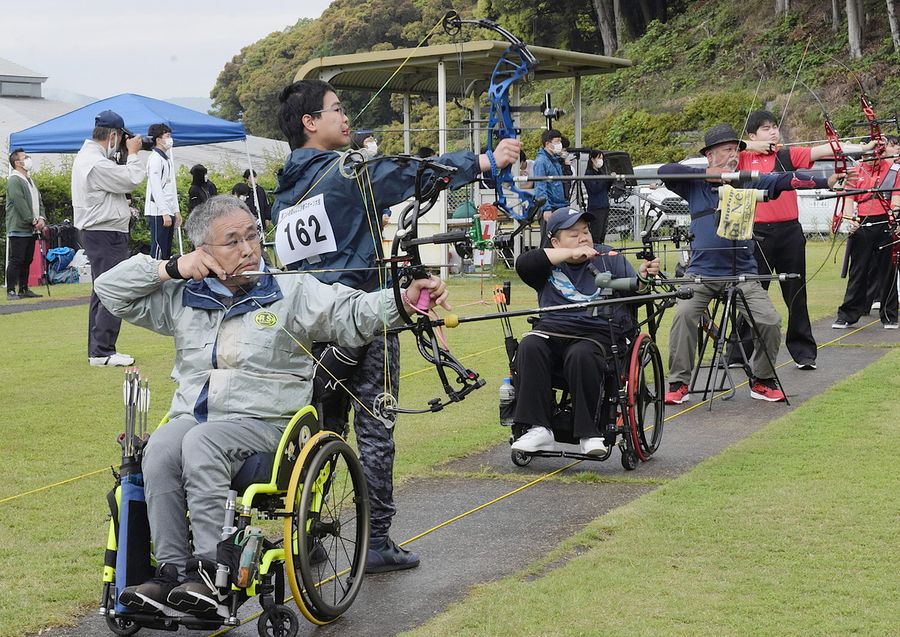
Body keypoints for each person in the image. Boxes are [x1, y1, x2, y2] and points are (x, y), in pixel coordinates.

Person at [95, 195, 448, 615]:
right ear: (202, 253)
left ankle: (212, 574)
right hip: (198, 418)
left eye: (252, 237)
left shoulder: (291, 291)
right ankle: (173, 574)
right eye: (232, 241)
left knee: (200, 443)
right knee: (161, 448)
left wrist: (405, 300)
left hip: (271, 426)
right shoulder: (184, 296)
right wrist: (170, 268)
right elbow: (109, 290)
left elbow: (351, 310)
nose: (247, 249)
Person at [271, 79, 520, 573]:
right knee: (375, 425)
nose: (347, 118)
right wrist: (486, 161)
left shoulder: (285, 188)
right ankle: (377, 539)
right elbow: (406, 174)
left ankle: (308, 529)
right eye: (337, 109)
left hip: (308, 322)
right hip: (364, 315)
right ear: (309, 123)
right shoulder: (345, 171)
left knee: (320, 425)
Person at [661, 123, 840, 405]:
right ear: (709, 155)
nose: (734, 155)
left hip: (743, 274)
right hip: (700, 274)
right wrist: (709, 174)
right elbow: (665, 171)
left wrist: (825, 181)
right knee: (683, 315)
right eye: (727, 150)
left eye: (736, 150)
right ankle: (678, 382)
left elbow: (786, 180)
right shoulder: (694, 183)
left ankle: (762, 379)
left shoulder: (748, 179)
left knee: (769, 320)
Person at [737, 110, 880, 369]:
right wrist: (750, 146)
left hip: (789, 233)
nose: (773, 132)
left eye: (774, 127)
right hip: (755, 233)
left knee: (796, 293)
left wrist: (863, 146)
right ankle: (739, 352)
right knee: (750, 292)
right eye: (766, 128)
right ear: (752, 135)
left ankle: (803, 353)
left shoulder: (784, 155)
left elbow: (825, 149)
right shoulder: (741, 157)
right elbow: (723, 147)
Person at [511, 207, 659, 455]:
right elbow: (524, 263)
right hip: (553, 331)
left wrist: (643, 280)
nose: (583, 237)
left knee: (581, 354)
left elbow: (636, 295)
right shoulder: (545, 265)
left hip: (597, 334)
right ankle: (538, 429)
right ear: (555, 241)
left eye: (585, 231)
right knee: (529, 345)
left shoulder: (608, 257)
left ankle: (589, 434)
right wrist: (570, 253)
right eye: (573, 234)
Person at [71, 110, 144, 366]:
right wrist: (133, 153)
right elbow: (132, 178)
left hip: (100, 231)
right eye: (122, 137)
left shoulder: (90, 158)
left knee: (101, 290)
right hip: (105, 232)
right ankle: (103, 350)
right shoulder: (96, 163)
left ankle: (98, 350)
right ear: (114, 135)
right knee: (114, 288)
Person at [831, 137, 900, 329]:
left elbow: (896, 199)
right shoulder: (856, 170)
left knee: (888, 270)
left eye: (875, 154)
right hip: (861, 224)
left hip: (885, 222)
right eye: (867, 155)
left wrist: (894, 219)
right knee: (858, 271)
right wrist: (850, 221)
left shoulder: (894, 170)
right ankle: (848, 314)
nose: (871, 159)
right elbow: (848, 201)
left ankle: (890, 315)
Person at [5, 148, 46, 300]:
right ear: (17, 162)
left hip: (31, 229)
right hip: (19, 228)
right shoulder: (14, 180)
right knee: (16, 259)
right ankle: (10, 290)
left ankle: (23, 288)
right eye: (25, 157)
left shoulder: (29, 180)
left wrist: (41, 218)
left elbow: (38, 201)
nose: (28, 159)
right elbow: (19, 203)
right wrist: (32, 220)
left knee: (27, 259)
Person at [144, 123, 181, 259]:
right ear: (158, 140)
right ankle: (156, 278)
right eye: (167, 136)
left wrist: (175, 211)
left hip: (168, 209)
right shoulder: (155, 159)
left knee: (166, 250)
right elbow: (156, 188)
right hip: (158, 212)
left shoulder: (166, 159)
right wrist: (164, 212)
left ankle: (165, 279)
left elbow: (171, 188)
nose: (170, 139)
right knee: (158, 249)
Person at [533, 129, 568, 226]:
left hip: (560, 206)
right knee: (547, 240)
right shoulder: (541, 161)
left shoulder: (555, 160)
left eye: (560, 141)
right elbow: (540, 187)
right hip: (550, 207)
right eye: (557, 141)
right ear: (548, 144)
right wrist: (546, 208)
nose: (560, 144)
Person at [584, 149, 611, 243]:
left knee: (602, 232)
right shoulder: (589, 174)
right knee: (596, 233)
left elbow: (605, 188)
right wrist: (605, 179)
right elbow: (595, 189)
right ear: (592, 159)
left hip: (604, 205)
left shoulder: (601, 172)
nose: (601, 160)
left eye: (602, 158)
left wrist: (610, 180)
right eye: (599, 158)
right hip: (595, 207)